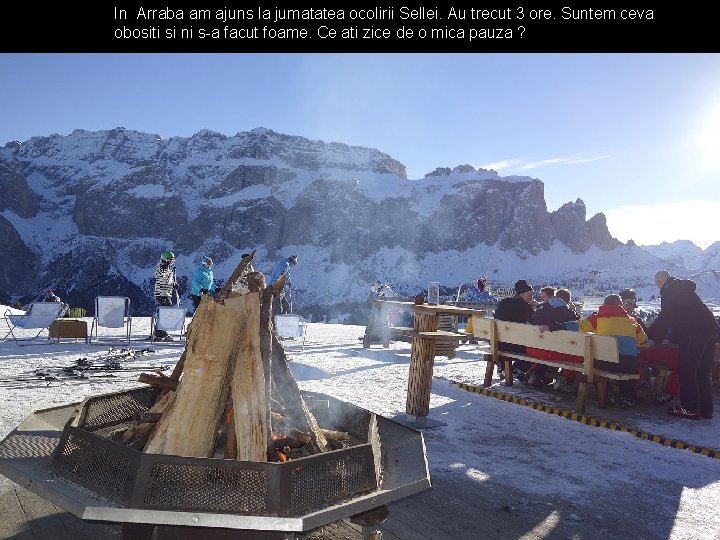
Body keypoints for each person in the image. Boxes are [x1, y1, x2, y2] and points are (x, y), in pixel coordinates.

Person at [648, 270, 720, 420]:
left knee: (687, 368)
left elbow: (665, 318)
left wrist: (654, 338)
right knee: (702, 371)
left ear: (660, 283)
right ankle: (705, 410)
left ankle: (690, 409)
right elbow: (678, 317)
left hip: (695, 331)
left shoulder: (669, 291)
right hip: (711, 329)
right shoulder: (682, 289)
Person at [579, 294, 647, 408]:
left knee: (594, 365)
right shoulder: (632, 321)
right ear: (620, 305)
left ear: (604, 305)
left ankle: (607, 395)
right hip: (627, 365)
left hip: (604, 364)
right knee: (632, 364)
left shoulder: (597, 318)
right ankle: (627, 398)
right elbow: (643, 338)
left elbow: (581, 327)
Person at [525, 286, 581, 387]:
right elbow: (580, 325)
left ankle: (535, 373)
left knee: (549, 346)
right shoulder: (568, 311)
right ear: (567, 301)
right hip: (553, 352)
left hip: (533, 349)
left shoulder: (542, 308)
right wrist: (574, 311)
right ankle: (565, 380)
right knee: (578, 354)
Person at [493, 279, 537, 380]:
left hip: (496, 343)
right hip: (511, 345)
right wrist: (536, 307)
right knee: (533, 350)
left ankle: (502, 365)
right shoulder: (525, 307)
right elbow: (536, 322)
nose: (532, 297)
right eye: (530, 295)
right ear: (522, 294)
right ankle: (518, 369)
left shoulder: (504, 302)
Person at [152, 250, 178, 340]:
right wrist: (163, 267)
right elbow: (156, 275)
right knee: (164, 312)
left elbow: (167, 280)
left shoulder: (169, 269)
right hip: (161, 293)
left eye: (172, 261)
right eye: (170, 260)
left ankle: (159, 332)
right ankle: (160, 333)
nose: (171, 262)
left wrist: (173, 284)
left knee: (164, 312)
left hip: (167, 293)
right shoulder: (160, 267)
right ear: (165, 260)